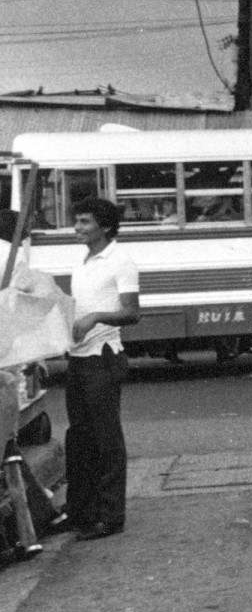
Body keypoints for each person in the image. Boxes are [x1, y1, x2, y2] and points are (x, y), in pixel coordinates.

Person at [64, 197, 140, 542]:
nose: (77, 228)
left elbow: (132, 313)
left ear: (105, 227)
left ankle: (110, 516)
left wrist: (95, 317)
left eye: (84, 222)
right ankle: (80, 511)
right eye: (77, 222)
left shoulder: (120, 260)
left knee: (105, 437)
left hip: (104, 356)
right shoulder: (83, 260)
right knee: (79, 436)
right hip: (79, 357)